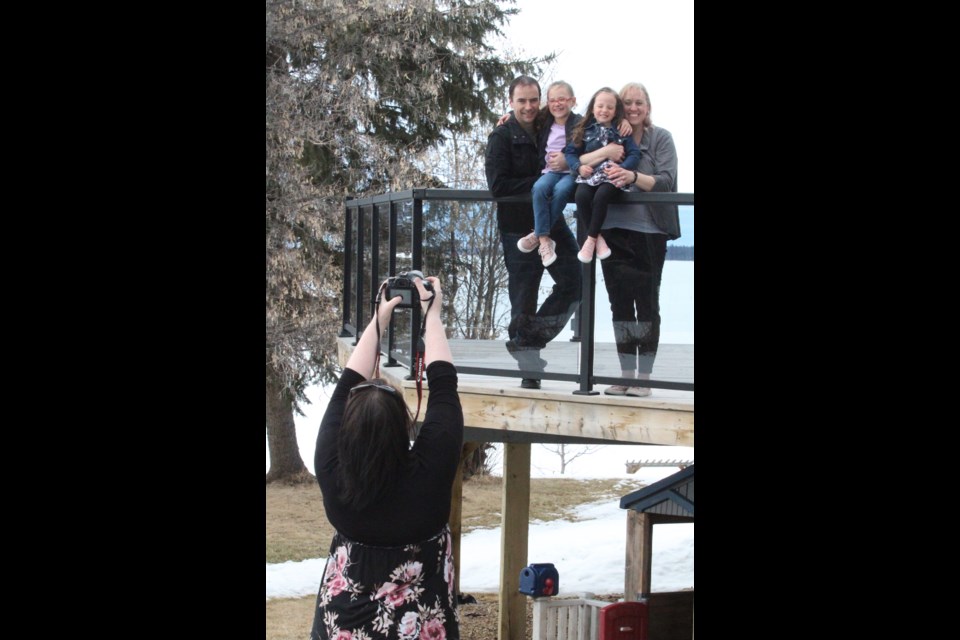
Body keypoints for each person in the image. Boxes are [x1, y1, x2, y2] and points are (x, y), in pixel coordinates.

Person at [311, 274, 464, 639]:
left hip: (342, 626)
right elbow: (443, 384)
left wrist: (378, 320)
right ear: (403, 425)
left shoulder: (330, 466)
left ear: (347, 426)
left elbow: (345, 384)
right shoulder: (429, 473)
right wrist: (431, 315)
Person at [584, 82, 681, 397]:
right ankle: (626, 374)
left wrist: (634, 177)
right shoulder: (608, 135)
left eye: (639, 102)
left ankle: (645, 378)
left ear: (648, 107)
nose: (634, 108)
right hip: (612, 231)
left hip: (651, 232)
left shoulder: (661, 138)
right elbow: (570, 135)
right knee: (619, 304)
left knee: (647, 304)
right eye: (628, 103)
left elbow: (666, 181)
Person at [485, 75, 582, 390]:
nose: (528, 107)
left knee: (576, 283)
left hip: (552, 223)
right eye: (521, 101)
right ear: (511, 102)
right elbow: (498, 186)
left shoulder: (548, 126)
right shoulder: (501, 136)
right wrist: (542, 184)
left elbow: (588, 124)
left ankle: (527, 340)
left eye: (532, 100)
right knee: (523, 300)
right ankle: (529, 371)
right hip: (517, 229)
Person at [563, 87, 642, 264]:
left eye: (609, 107)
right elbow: (570, 153)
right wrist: (578, 167)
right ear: (592, 108)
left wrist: (623, 168)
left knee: (601, 196)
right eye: (600, 106)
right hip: (589, 176)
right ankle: (597, 239)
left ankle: (589, 240)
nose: (604, 110)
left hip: (611, 177)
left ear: (616, 111)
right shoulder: (584, 130)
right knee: (581, 196)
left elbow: (634, 154)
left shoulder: (622, 130)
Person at [515, 81, 582, 268]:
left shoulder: (581, 123)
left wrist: (569, 161)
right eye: (552, 100)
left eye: (562, 99)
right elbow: (523, 118)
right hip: (549, 171)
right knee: (539, 188)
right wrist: (508, 117)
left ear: (573, 101)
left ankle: (538, 235)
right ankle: (544, 239)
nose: (557, 104)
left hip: (570, 173)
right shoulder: (545, 121)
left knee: (561, 191)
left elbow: (598, 134)